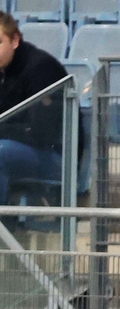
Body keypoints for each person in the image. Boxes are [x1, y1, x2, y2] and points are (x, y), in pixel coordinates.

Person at [0, 12, 68, 209]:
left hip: (54, 156)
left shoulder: (40, 68)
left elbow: (41, 133)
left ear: (15, 40)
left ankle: (3, 230)